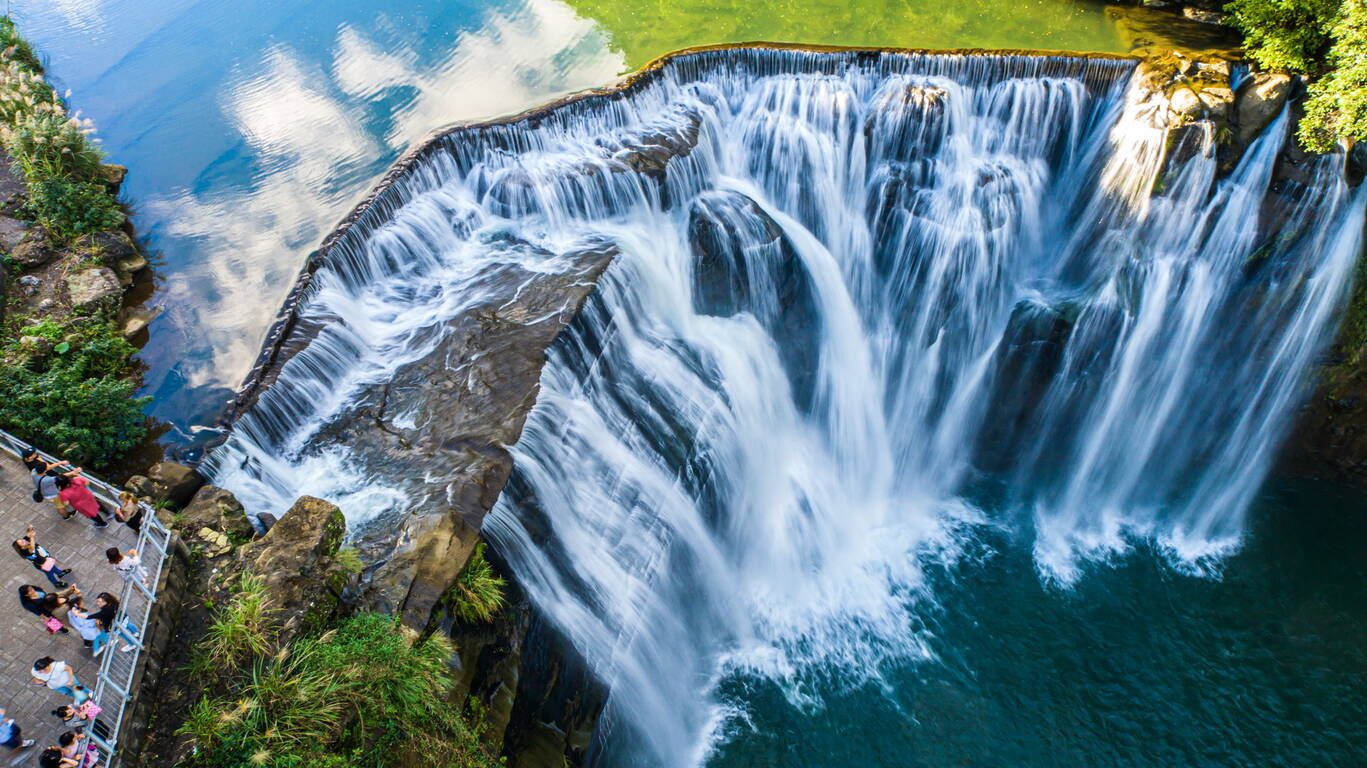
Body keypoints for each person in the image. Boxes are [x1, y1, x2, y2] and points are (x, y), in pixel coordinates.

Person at [24, 448, 81, 519]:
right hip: (51, 493)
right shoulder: (46, 480)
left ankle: (66, 504)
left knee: (61, 501)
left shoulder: (34, 472)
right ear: (44, 471)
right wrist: (73, 473)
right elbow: (61, 476)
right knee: (60, 505)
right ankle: (66, 516)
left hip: (45, 490)